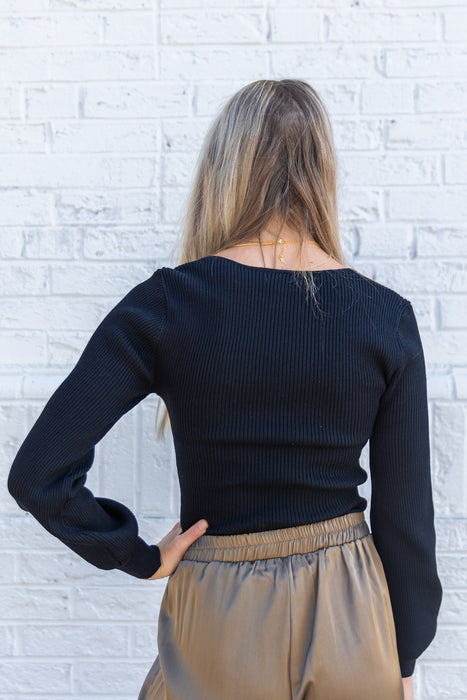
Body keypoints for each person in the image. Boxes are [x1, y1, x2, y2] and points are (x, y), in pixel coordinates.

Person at [7, 79, 442, 700]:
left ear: (224, 169)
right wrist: (404, 652)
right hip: (353, 610)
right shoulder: (384, 317)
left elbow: (38, 473)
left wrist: (136, 555)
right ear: (322, 171)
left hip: (219, 610)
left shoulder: (167, 305)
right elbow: (406, 519)